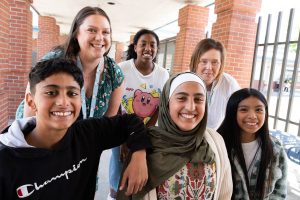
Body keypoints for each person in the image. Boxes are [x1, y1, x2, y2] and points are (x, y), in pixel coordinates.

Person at [0, 58, 151, 200]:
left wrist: (139, 154)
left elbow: (130, 122)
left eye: (72, 93)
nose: (63, 102)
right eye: (51, 93)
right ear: (31, 101)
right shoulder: (6, 160)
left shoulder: (87, 134)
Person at [118, 72, 232, 200]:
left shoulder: (215, 141)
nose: (190, 107)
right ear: (167, 103)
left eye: (198, 99)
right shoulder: (144, 144)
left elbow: (224, 194)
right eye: (181, 98)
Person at [16, 6, 124, 119]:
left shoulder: (114, 73)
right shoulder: (52, 63)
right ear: (76, 34)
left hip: (87, 135)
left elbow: (108, 123)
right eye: (92, 30)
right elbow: (29, 119)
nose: (99, 37)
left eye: (106, 32)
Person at [108, 29, 169, 200]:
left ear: (157, 49)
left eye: (153, 45)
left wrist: (141, 134)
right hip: (120, 129)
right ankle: (113, 194)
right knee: (118, 168)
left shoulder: (163, 74)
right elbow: (116, 104)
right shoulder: (122, 69)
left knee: (141, 168)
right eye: (143, 44)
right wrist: (124, 138)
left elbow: (159, 108)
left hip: (147, 130)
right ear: (135, 47)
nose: (148, 48)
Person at [217, 88, 287, 199]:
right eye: (244, 110)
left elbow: (280, 191)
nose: (252, 116)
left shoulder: (275, 148)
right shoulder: (218, 145)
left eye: (259, 110)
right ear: (232, 112)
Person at [190, 38, 240, 129]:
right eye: (204, 61)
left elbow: (236, 116)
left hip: (214, 138)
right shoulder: (183, 81)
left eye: (215, 62)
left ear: (221, 64)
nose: (209, 67)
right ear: (195, 62)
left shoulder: (229, 84)